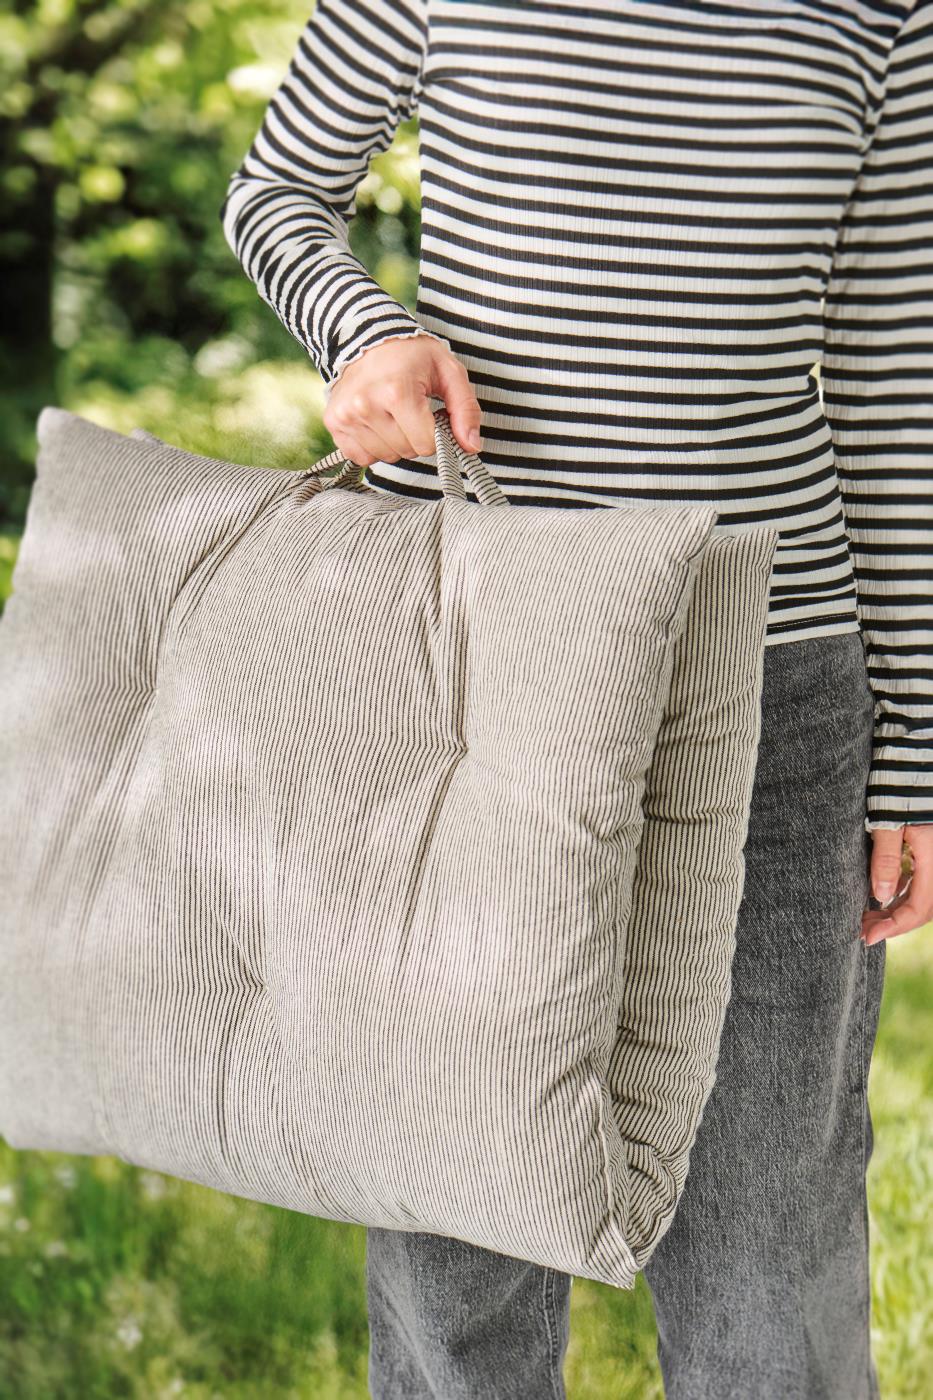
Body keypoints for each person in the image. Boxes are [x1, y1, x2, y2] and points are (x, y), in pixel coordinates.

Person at [220, 1, 933, 1395]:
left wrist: (913, 738)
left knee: (768, 1238)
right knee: (455, 1221)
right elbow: (279, 190)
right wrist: (364, 334)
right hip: (482, 662)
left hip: (776, 682)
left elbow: (892, 373)